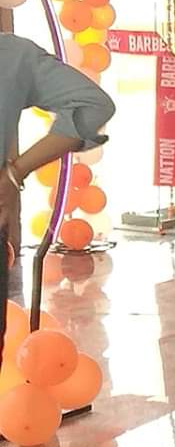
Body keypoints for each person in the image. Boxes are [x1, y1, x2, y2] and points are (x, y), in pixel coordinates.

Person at [0, 33, 115, 369]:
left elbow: (93, 105)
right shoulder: (12, 54)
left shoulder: (13, 55)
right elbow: (93, 106)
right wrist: (15, 172)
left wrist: (14, 174)